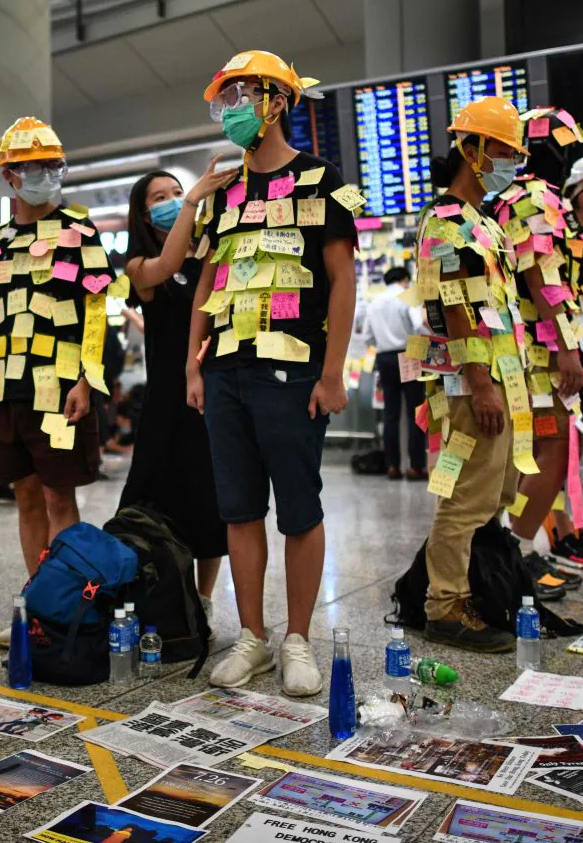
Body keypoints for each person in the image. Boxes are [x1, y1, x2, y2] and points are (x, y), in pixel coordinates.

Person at [186, 51, 360, 693]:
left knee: (299, 509)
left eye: (241, 98)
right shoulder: (223, 192)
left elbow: (343, 280)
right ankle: (253, 637)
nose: (230, 112)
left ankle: (297, 640)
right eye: (222, 101)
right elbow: (207, 278)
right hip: (226, 369)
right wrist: (192, 364)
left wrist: (332, 371)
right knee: (238, 510)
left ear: (277, 102)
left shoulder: (322, 180)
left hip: (294, 372)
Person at [0, 116, 116, 648]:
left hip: (60, 389)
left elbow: (96, 312)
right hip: (6, 390)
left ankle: (65, 608)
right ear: (9, 175)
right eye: (34, 166)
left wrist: (86, 380)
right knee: (25, 497)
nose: (46, 174)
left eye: (53, 164)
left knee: (59, 498)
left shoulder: (81, 231)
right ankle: (36, 604)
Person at [415, 96, 529, 653]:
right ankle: (445, 606)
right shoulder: (448, 221)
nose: (513, 161)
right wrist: (481, 381)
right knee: (465, 496)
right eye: (505, 150)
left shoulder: (481, 222)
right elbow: (455, 305)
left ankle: (478, 585)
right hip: (471, 381)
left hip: (499, 373)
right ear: (472, 149)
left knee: (493, 489)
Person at [489, 107, 583, 576]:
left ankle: (516, 552)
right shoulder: (537, 197)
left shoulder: (505, 197)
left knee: (528, 453)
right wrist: (567, 350)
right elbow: (542, 278)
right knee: (549, 452)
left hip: (518, 347)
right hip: (539, 351)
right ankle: (517, 554)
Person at [118, 166, 234, 617]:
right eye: (158, 197)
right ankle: (150, 589)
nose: (171, 198)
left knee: (211, 503)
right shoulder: (141, 268)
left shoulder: (209, 256)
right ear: (144, 215)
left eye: (177, 192)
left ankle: (202, 600)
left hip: (212, 397)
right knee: (151, 497)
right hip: (166, 403)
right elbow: (167, 265)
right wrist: (190, 204)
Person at [366, 266, 429, 480]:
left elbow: (367, 336)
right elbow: (419, 325)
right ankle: (416, 466)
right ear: (405, 279)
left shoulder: (374, 302)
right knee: (415, 412)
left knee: (390, 414)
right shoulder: (406, 296)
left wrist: (383, 344)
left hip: (384, 358)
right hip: (409, 354)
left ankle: (392, 465)